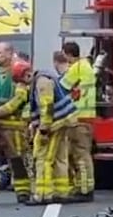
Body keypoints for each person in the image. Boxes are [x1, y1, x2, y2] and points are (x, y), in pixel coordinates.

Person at [24, 52, 78, 205]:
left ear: (28, 74)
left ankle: (43, 194)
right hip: (64, 119)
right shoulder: (47, 77)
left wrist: (43, 129)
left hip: (54, 123)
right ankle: (61, 192)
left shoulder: (41, 82)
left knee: (43, 157)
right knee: (60, 157)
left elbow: (46, 106)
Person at [0, 57, 32, 205]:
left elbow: (19, 99)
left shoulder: (18, 74)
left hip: (12, 126)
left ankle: (22, 192)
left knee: (17, 161)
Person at [60, 40, 98, 202]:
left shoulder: (76, 68)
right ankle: (84, 187)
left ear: (67, 54)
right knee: (83, 154)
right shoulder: (87, 66)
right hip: (87, 117)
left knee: (79, 155)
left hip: (78, 117)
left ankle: (84, 190)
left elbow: (61, 88)